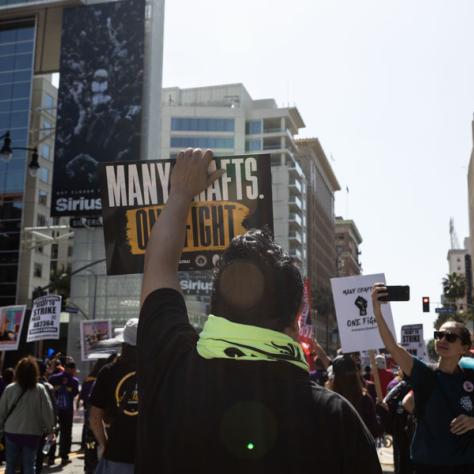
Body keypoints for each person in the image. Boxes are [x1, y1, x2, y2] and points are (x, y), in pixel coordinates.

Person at [136, 148, 382, 473]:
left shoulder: (173, 369)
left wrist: (181, 191)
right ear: (295, 322)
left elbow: (159, 264)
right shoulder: (335, 417)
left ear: (216, 307)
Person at [372, 284, 474, 474]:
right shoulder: (424, 374)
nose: (443, 340)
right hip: (427, 465)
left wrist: (472, 421)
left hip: (465, 465)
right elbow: (393, 348)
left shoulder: (471, 376)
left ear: (464, 347)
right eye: (439, 335)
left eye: (450, 337)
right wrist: (377, 312)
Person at [89, 320, 138, 474]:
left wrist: (104, 444)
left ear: (124, 343)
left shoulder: (108, 372)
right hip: (151, 455)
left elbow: (94, 417)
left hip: (117, 454)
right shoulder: (158, 371)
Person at [0, 356, 55, 474]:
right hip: (33, 433)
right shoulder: (40, 389)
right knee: (30, 465)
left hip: (12, 432)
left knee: (11, 465)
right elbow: (47, 411)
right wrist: (51, 430)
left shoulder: (9, 389)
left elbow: (1, 412)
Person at [326, 354, 381, 438]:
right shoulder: (365, 399)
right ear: (356, 375)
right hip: (360, 449)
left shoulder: (327, 400)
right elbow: (374, 431)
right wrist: (382, 412)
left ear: (335, 377)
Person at [48, 360, 79, 465]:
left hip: (54, 410)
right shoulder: (74, 381)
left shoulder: (53, 378)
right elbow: (74, 394)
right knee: (66, 434)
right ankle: (64, 456)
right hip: (67, 410)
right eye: (74, 369)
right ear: (71, 369)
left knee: (52, 433)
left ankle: (50, 457)